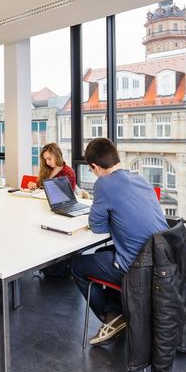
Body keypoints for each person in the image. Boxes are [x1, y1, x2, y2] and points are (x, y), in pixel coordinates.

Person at [71, 138, 168, 346]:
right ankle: (122, 308)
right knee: (99, 255)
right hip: (163, 262)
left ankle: (111, 316)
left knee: (77, 265)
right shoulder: (139, 179)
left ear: (94, 167)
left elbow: (97, 227)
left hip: (138, 267)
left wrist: (110, 220)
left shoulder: (104, 183)